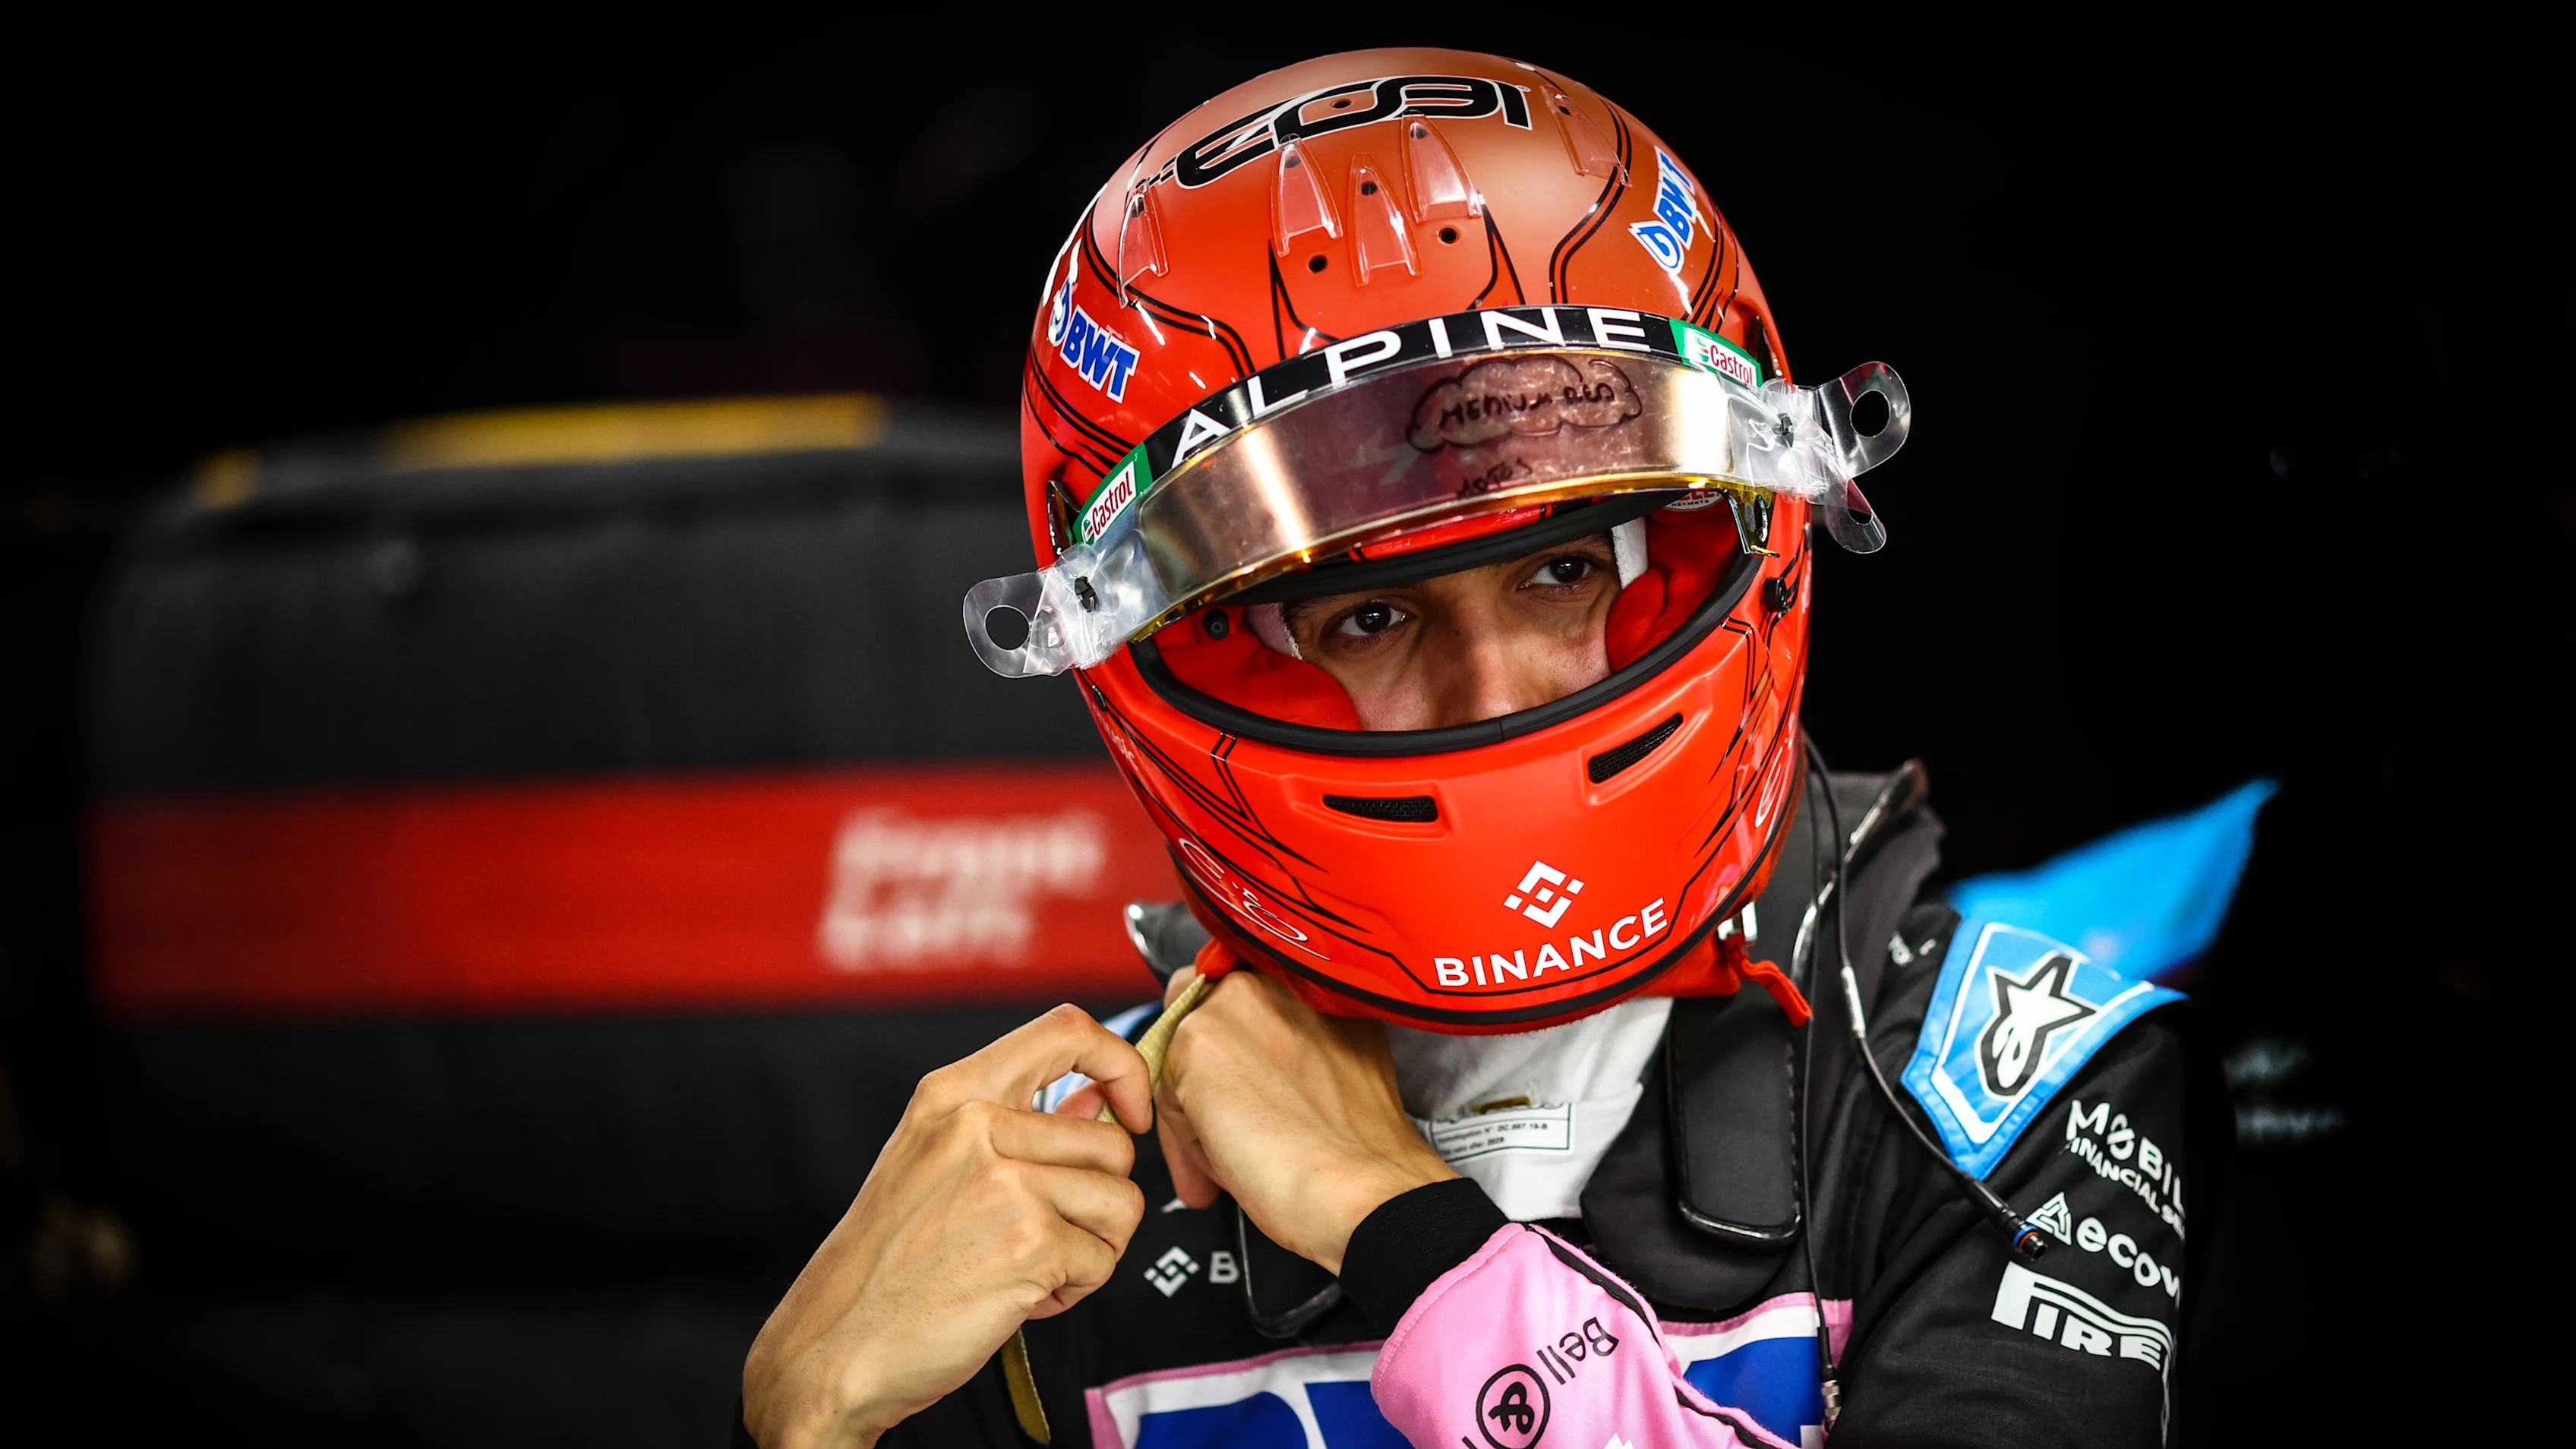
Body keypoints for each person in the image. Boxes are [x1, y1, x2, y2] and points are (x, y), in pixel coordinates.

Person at [740, 49, 2206, 1449]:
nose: (1494, 690)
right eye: (1372, 614)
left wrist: (1399, 1223)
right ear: (1209, 653)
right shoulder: (1055, 1193)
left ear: (1699, 546)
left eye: (1560, 572)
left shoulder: (2013, 1083)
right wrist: (814, 1423)